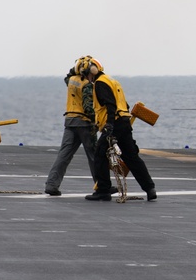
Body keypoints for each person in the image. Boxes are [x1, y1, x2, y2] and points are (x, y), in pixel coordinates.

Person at [80, 57, 157, 202]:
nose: (88, 78)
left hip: (114, 123)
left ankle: (103, 190)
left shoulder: (100, 83)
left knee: (99, 155)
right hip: (124, 121)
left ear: (93, 70)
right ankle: (150, 188)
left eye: (87, 74)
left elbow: (110, 105)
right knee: (132, 157)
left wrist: (109, 125)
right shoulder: (113, 81)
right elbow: (124, 104)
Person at [44, 56, 98, 196]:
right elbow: (87, 107)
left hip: (70, 121)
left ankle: (51, 185)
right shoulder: (86, 85)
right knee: (94, 156)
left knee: (64, 155)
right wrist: (97, 120)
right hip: (85, 124)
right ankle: (100, 185)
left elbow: (68, 75)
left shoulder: (71, 81)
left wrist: (78, 65)